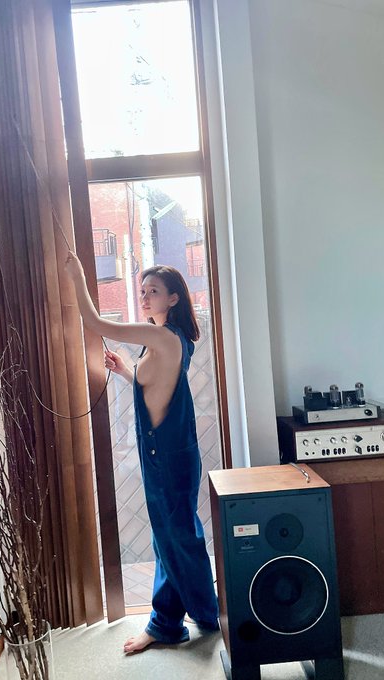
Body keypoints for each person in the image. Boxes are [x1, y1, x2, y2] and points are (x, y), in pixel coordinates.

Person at [65, 251, 219, 654]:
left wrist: (77, 275)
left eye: (153, 291)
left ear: (173, 298)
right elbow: (154, 387)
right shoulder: (170, 340)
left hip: (167, 456)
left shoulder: (162, 337)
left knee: (174, 538)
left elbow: (97, 323)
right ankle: (192, 616)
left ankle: (180, 620)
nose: (145, 297)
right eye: (142, 291)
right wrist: (123, 370)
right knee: (174, 536)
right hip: (169, 453)